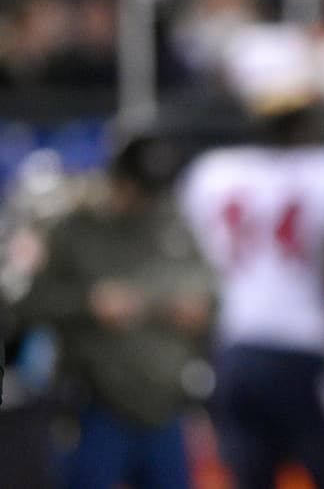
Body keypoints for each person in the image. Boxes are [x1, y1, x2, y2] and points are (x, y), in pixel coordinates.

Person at [179, 24, 324, 489]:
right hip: (301, 350)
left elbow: (196, 267)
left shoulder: (212, 174)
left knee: (249, 477)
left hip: (234, 348)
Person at [18, 133, 214, 489]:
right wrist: (89, 303)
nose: (148, 199)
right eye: (140, 187)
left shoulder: (175, 226)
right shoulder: (76, 231)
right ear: (119, 180)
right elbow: (31, 305)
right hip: (98, 404)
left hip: (165, 406)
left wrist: (201, 311)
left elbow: (211, 292)